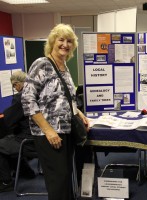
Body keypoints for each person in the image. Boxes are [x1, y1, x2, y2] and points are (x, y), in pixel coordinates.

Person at [21, 23, 89, 200]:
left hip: (66, 130)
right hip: (49, 134)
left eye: (69, 41)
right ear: (52, 42)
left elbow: (67, 98)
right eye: (61, 40)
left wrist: (79, 114)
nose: (65, 44)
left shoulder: (65, 68)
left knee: (65, 176)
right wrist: (48, 130)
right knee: (58, 179)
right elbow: (28, 100)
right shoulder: (42, 64)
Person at [0, 71, 35, 193]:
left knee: (3, 144)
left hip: (28, 141)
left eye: (14, 86)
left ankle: (6, 182)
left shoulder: (20, 97)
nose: (15, 88)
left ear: (17, 84)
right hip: (42, 139)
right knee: (8, 142)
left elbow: (9, 120)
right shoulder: (37, 93)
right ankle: (26, 172)